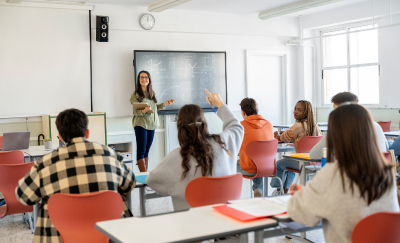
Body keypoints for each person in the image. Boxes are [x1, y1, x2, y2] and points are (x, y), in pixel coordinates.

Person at [15, 108, 136, 243]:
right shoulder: (109, 154)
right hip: (110, 235)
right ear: (87, 133)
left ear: (60, 136)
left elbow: (23, 196)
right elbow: (130, 185)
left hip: (58, 237)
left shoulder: (46, 163)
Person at [288, 104, 399, 243]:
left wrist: (301, 196)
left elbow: (300, 215)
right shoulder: (385, 173)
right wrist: (310, 193)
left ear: (335, 135)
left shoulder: (332, 173)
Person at [147, 89, 244, 211]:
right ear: (204, 123)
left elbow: (151, 181)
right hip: (227, 220)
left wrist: (177, 188)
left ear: (180, 128)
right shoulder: (223, 142)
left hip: (191, 225)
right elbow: (236, 126)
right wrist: (220, 103)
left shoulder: (176, 157)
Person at [310, 92, 388, 159]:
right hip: (379, 171)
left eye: (336, 110)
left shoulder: (340, 128)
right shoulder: (376, 125)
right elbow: (386, 148)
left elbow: (314, 155)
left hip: (355, 173)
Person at [270, 100, 321, 195]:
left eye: (299, 110)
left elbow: (284, 138)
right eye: (295, 109)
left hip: (302, 162)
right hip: (315, 161)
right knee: (289, 163)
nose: (295, 112)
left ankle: (278, 189)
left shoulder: (298, 126)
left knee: (279, 164)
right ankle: (285, 189)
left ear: (305, 112)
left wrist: (277, 135)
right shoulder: (315, 126)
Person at [130, 70, 175, 172]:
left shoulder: (152, 93)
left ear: (149, 79)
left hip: (152, 124)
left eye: (146, 77)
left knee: (146, 151)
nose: (143, 79)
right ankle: (144, 176)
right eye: (141, 77)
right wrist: (144, 110)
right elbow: (136, 112)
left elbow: (154, 108)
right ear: (139, 80)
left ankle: (145, 175)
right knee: (141, 151)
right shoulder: (135, 95)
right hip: (141, 124)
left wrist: (165, 104)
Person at [237, 98, 273, 197]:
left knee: (231, 164)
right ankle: (258, 187)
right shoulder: (268, 124)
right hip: (267, 166)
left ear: (243, 112)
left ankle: (228, 194)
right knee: (257, 160)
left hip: (248, 168)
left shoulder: (241, 126)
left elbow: (234, 146)